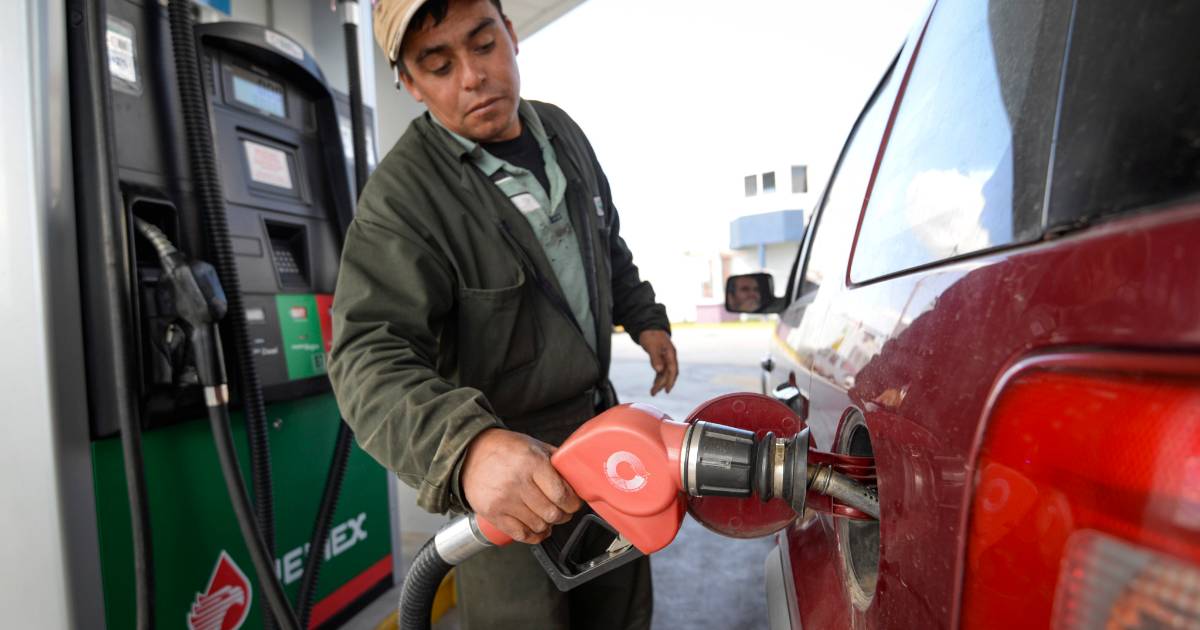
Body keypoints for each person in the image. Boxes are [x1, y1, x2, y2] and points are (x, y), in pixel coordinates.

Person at [328, 0, 678, 627]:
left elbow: (606, 241)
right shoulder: (402, 198)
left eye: (483, 44)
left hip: (604, 439)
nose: (473, 77)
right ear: (409, 83)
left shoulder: (562, 134)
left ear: (511, 35)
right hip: (506, 475)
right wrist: (467, 449)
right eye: (439, 66)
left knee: (620, 613)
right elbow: (366, 356)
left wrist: (645, 316)